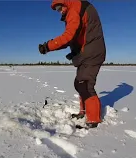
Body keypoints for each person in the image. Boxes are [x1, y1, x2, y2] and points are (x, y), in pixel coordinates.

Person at [38, 0, 106, 128]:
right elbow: (76, 37)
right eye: (57, 10)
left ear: (65, 3)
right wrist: (75, 52)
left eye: (60, 8)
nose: (60, 11)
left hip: (92, 53)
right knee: (79, 83)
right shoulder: (76, 7)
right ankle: (84, 112)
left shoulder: (74, 9)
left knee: (85, 85)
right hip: (87, 52)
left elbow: (69, 36)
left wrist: (48, 46)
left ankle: (94, 120)